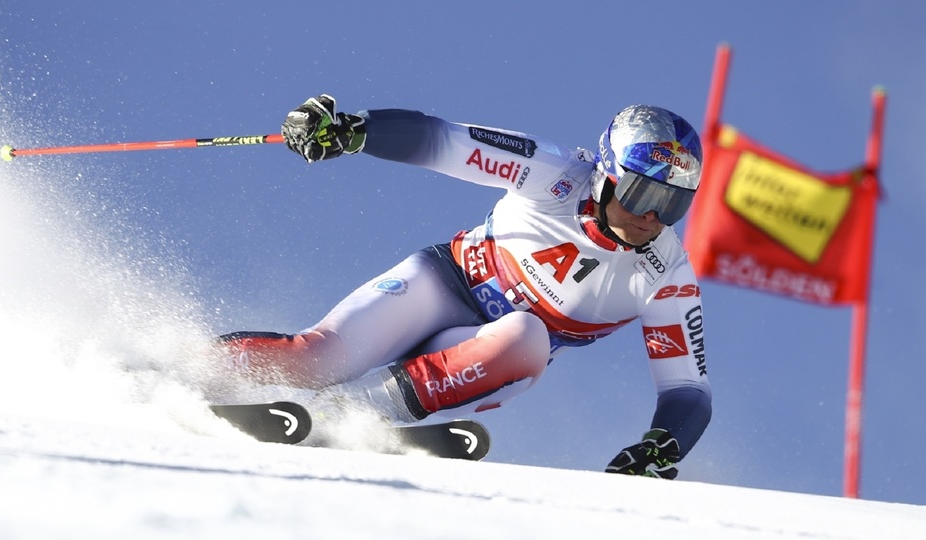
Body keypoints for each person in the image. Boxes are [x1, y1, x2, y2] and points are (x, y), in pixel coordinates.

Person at [218, 94, 712, 479]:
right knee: (316, 359)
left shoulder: (665, 274)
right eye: (642, 192)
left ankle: (349, 415)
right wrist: (354, 131)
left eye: (673, 204)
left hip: (491, 357)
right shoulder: (555, 174)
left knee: (526, 338)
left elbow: (687, 387)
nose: (652, 216)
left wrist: (661, 446)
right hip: (441, 285)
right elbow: (444, 142)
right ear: (606, 175)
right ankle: (180, 364)